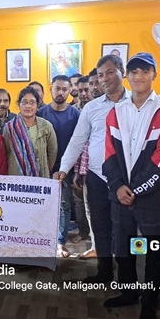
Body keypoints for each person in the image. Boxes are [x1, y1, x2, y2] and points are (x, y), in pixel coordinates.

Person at [102, 52, 160, 319]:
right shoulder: (116, 112)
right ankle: (128, 293)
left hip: (152, 199)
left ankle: (149, 301)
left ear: (154, 75)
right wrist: (118, 186)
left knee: (153, 252)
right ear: (127, 76)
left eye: (145, 71)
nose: (139, 76)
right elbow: (109, 155)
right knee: (123, 247)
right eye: (134, 71)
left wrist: (135, 190)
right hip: (121, 195)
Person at [54, 54, 131, 284]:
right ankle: (104, 272)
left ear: (122, 72)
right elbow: (77, 141)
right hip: (97, 177)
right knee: (100, 227)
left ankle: (128, 279)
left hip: (127, 178)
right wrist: (64, 168)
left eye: (110, 72)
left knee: (126, 230)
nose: (104, 78)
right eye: (100, 75)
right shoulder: (92, 108)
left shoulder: (136, 102)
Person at [38, 75, 80, 258]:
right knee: (43, 205)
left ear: (70, 91)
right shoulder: (40, 113)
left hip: (66, 170)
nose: (60, 92)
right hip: (43, 168)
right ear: (51, 89)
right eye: (57, 88)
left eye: (64, 89)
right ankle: (41, 240)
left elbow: (80, 144)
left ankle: (60, 243)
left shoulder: (76, 115)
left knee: (64, 206)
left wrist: (74, 170)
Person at [4, 86, 57, 179]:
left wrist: (43, 167)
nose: (28, 106)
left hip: (41, 176)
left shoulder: (46, 126)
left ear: (37, 105)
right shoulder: (9, 127)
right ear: (19, 105)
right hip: (17, 177)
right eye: (24, 102)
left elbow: (52, 152)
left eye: (32, 102)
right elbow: (7, 152)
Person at [70, 75, 93, 248]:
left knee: (96, 204)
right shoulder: (73, 112)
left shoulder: (101, 109)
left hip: (97, 167)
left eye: (87, 90)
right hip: (78, 164)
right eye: (80, 91)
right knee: (79, 203)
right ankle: (83, 231)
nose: (84, 94)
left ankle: (96, 236)